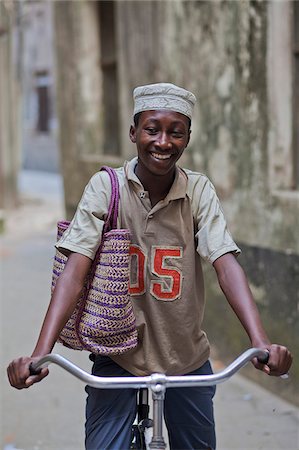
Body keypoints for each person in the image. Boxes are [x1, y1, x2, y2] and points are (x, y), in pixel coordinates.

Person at [7, 83, 292, 450]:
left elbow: (224, 262)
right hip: (120, 356)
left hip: (185, 357)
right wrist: (40, 353)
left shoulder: (198, 192)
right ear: (133, 133)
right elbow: (74, 272)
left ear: (188, 138)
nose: (163, 142)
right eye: (151, 129)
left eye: (176, 132)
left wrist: (260, 342)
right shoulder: (106, 188)